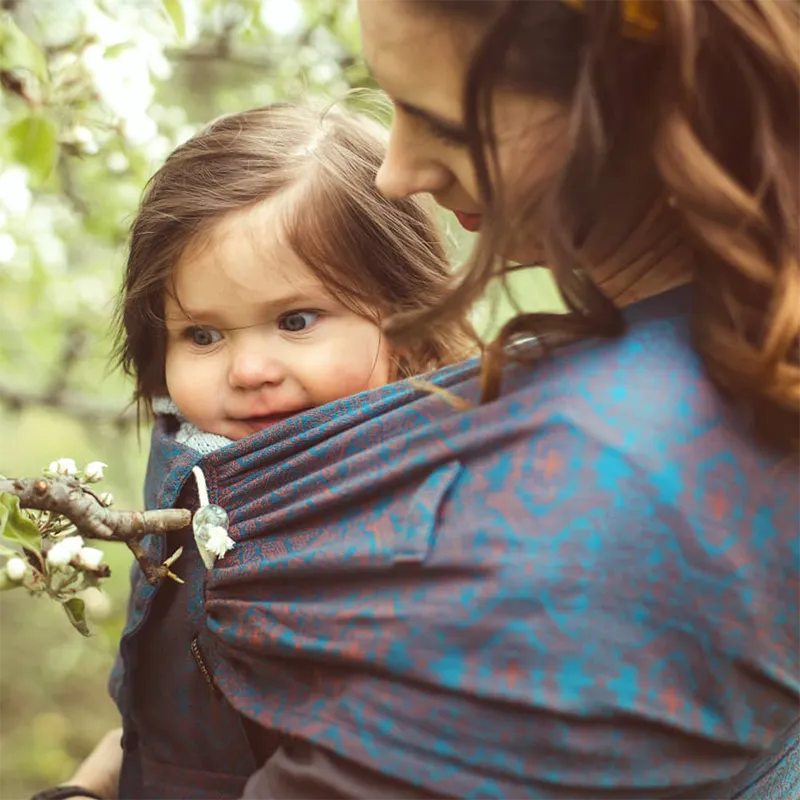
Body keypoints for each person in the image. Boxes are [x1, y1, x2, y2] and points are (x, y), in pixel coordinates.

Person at [42, 1, 800, 798]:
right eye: (202, 335)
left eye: (444, 122)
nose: (395, 172)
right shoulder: (691, 358)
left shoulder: (590, 492)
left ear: (622, 99)